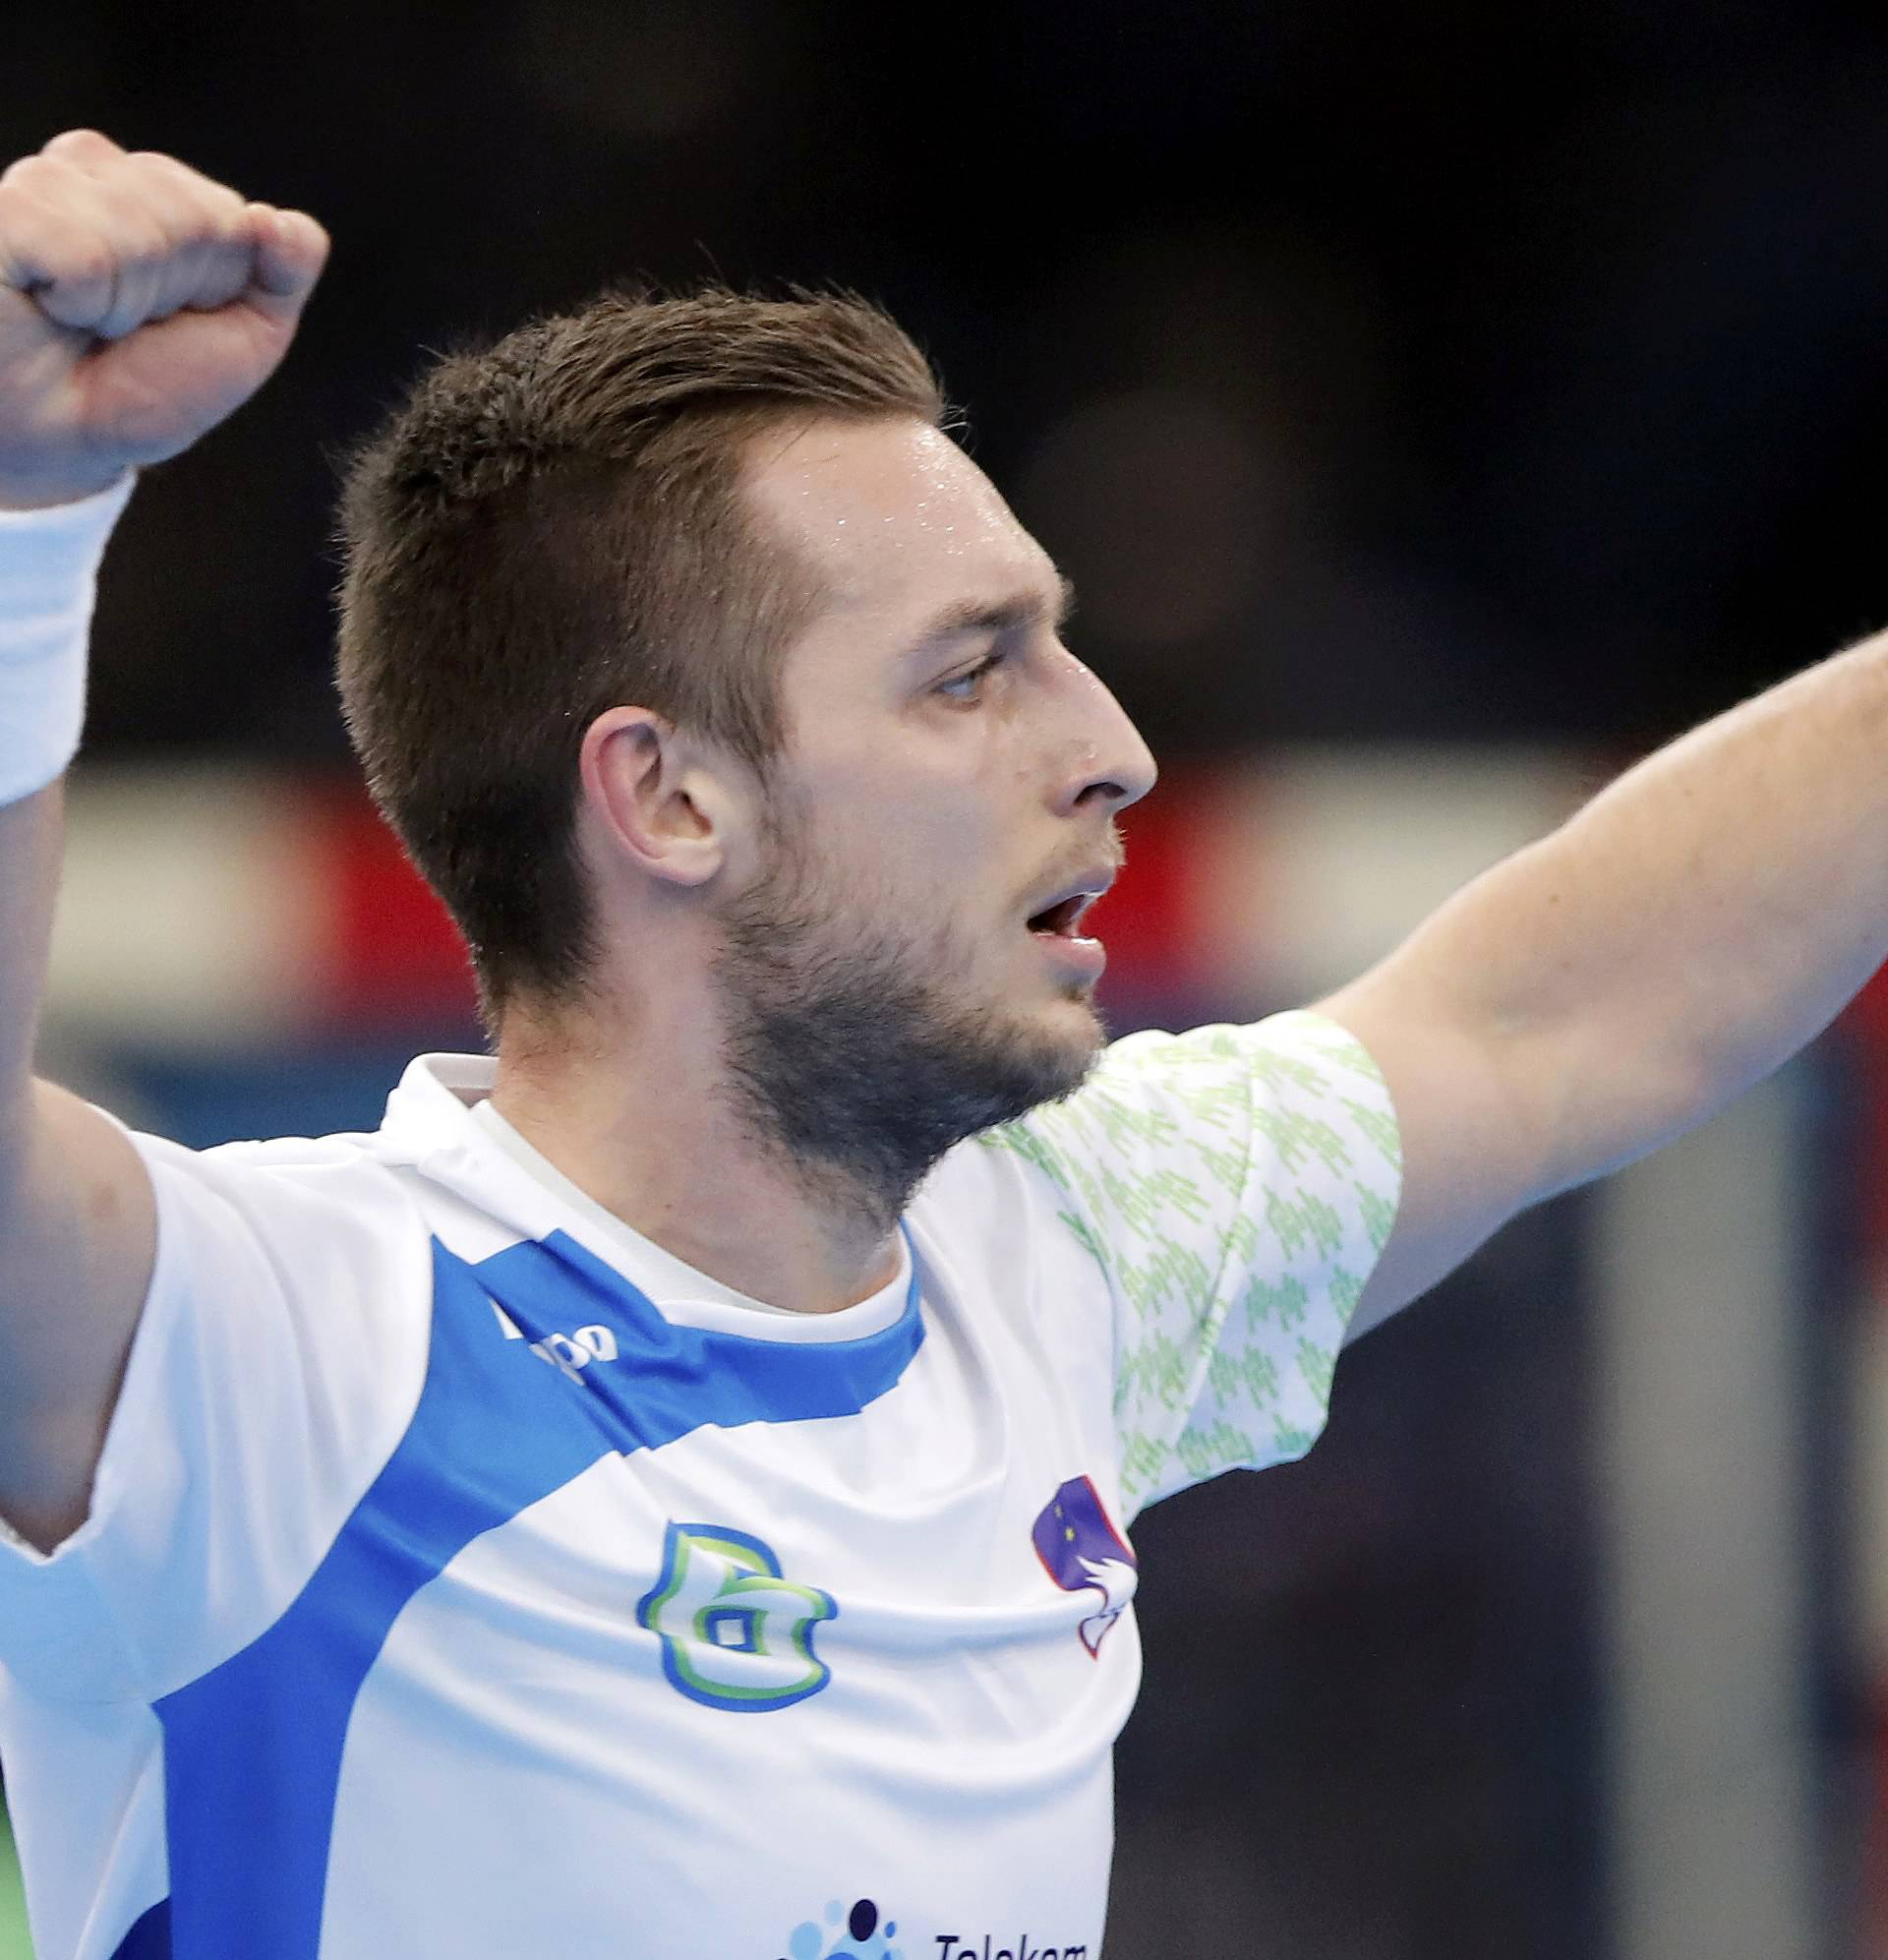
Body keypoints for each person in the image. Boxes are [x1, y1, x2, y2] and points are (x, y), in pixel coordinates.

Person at [0, 129, 1880, 1960]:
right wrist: (24, 525)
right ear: (666, 799)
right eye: (971, 670)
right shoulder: (288, 1337)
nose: (1112, 744)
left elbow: (1566, 1011)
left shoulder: (1066, 1243)